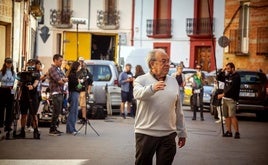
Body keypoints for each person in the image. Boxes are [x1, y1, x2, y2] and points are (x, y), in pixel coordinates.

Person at [133, 49, 187, 165]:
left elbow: (178, 110)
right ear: (152, 64)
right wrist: (152, 88)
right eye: (163, 61)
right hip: (145, 133)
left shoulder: (173, 82)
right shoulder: (141, 80)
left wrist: (182, 132)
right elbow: (137, 94)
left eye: (168, 61)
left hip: (168, 135)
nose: (168, 64)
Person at [16, 59, 41, 139]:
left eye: (32, 64)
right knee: (23, 114)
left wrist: (33, 86)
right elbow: (19, 83)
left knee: (33, 114)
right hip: (24, 96)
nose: (30, 66)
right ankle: (22, 131)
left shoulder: (36, 74)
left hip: (33, 96)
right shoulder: (23, 73)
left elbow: (36, 82)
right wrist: (20, 82)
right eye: (29, 64)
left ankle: (36, 131)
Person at [217, 62, 241, 139]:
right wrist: (222, 70)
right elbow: (218, 77)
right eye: (226, 68)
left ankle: (237, 132)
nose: (227, 70)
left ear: (233, 68)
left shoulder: (236, 77)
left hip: (231, 99)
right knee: (226, 116)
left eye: (228, 69)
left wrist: (222, 95)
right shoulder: (228, 75)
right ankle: (229, 131)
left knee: (232, 116)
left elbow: (232, 88)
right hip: (225, 100)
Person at [48, 54, 68, 136]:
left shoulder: (59, 69)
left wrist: (63, 79)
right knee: (56, 112)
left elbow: (65, 78)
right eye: (60, 61)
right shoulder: (52, 69)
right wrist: (63, 80)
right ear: (55, 60)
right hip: (55, 92)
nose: (61, 62)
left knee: (58, 111)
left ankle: (55, 128)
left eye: (62, 61)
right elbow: (59, 81)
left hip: (60, 92)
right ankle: (52, 130)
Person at [0, 57, 16, 139]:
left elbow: (16, 79)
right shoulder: (2, 72)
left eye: (10, 63)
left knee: (10, 109)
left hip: (10, 90)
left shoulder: (13, 72)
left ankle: (8, 125)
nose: (9, 64)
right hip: (3, 90)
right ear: (5, 63)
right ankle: (0, 124)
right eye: (8, 63)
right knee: (1, 108)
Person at [66, 61, 81, 135]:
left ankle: (73, 128)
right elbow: (77, 86)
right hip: (73, 93)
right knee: (73, 111)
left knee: (75, 111)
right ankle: (70, 129)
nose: (80, 68)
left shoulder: (75, 75)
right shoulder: (72, 75)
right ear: (76, 67)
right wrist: (80, 83)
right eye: (79, 66)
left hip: (76, 93)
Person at [77, 57, 93, 122]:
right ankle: (80, 117)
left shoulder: (89, 74)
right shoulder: (79, 73)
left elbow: (90, 84)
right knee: (80, 105)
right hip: (78, 91)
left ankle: (84, 118)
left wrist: (88, 93)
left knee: (83, 105)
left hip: (83, 91)